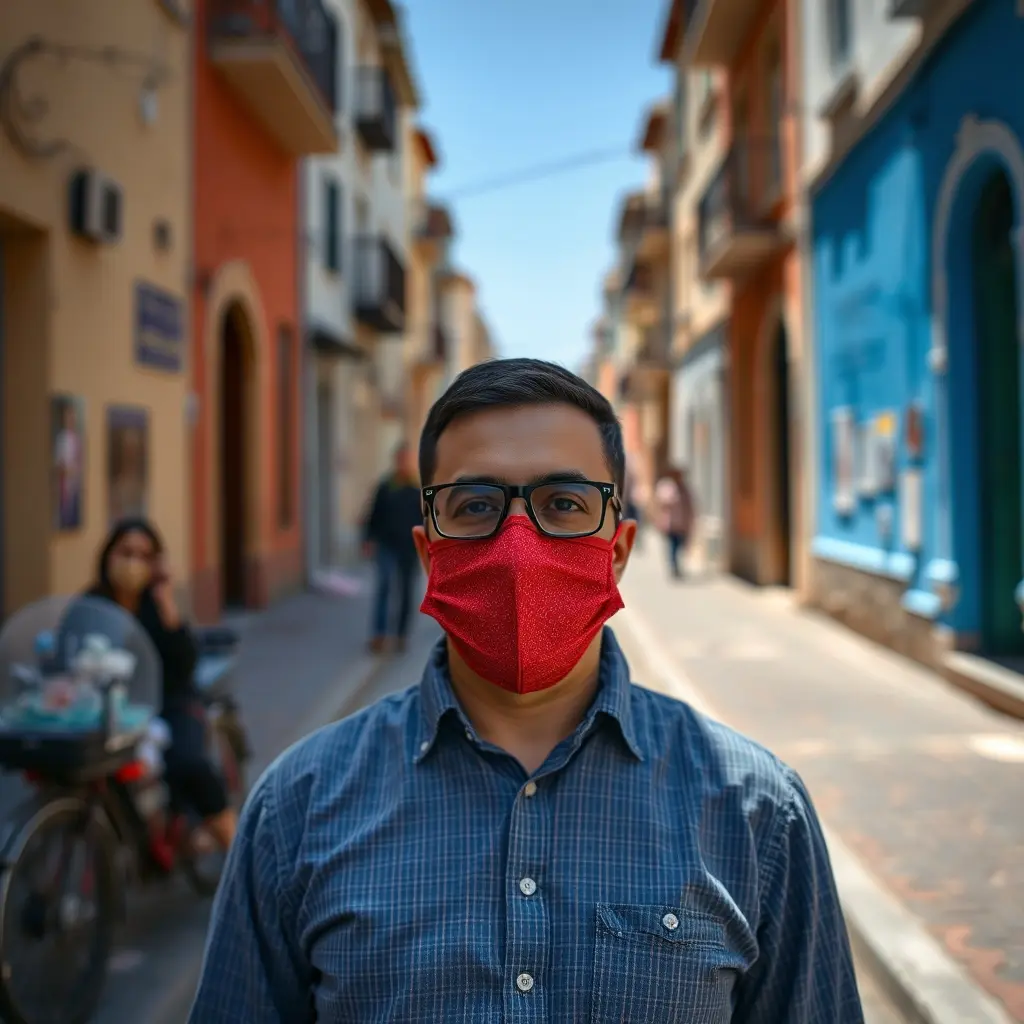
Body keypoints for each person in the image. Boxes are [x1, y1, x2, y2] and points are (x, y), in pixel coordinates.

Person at [189, 359, 863, 1023]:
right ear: (428, 552)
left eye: (564, 504)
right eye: (476, 506)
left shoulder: (758, 814)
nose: (518, 546)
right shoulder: (295, 809)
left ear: (618, 549)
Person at [88, 518, 237, 852]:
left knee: (188, 763)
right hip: (109, 709)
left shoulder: (157, 604)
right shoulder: (92, 603)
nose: (132, 562)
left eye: (143, 555)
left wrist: (166, 600)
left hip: (170, 702)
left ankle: (235, 844)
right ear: (108, 556)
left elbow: (185, 663)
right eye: (125, 552)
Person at [362, 442, 422, 653]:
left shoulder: (417, 490)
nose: (403, 462)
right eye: (400, 458)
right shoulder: (386, 486)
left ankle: (401, 635)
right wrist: (368, 539)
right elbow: (373, 514)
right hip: (386, 544)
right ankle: (379, 634)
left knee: (406, 591)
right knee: (384, 586)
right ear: (396, 460)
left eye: (407, 459)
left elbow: (426, 521)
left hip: (410, 547)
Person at [654, 464, 696, 579]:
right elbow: (660, 502)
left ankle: (675, 564)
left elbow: (690, 505)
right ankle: (674, 566)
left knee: (680, 545)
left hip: (682, 523)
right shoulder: (666, 487)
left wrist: (691, 520)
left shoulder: (685, 489)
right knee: (673, 545)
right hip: (670, 524)